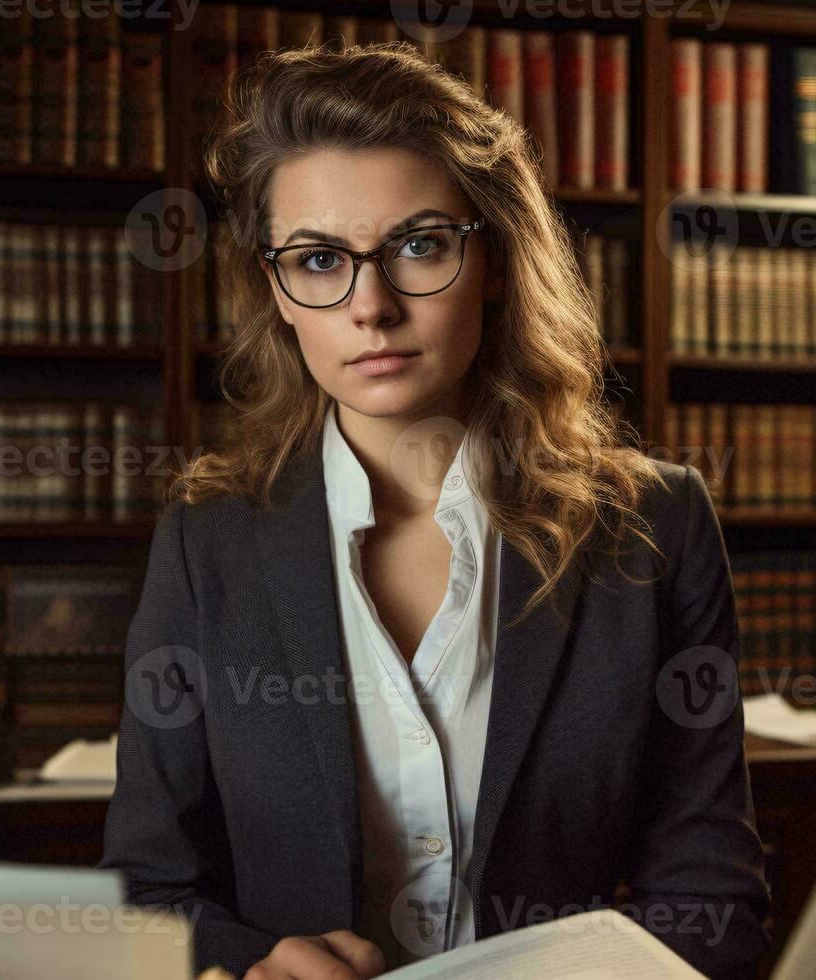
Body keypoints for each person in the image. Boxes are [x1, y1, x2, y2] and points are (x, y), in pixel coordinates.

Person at [102, 42, 769, 980]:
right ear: (277, 293)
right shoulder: (208, 535)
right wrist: (250, 961)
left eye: (419, 245)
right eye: (319, 258)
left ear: (493, 262)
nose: (370, 306)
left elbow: (710, 904)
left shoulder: (655, 526)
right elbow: (146, 889)